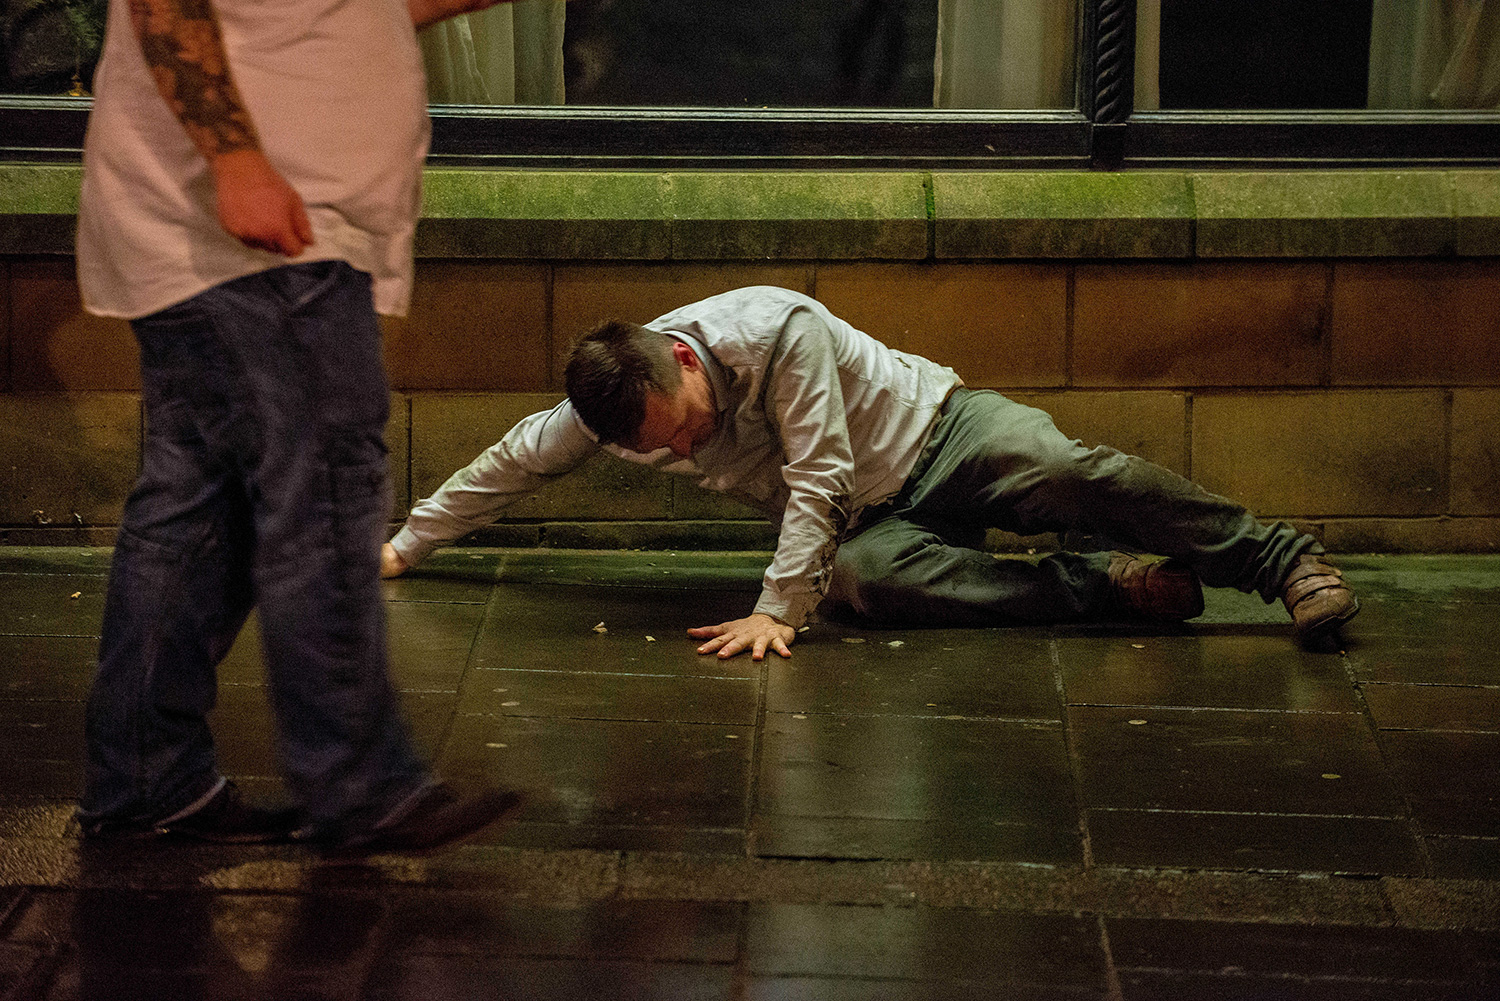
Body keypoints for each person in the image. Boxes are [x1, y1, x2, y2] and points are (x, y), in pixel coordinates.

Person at [73, 0, 525, 851]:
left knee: (202, 509)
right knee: (321, 488)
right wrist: (237, 157)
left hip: (245, 229)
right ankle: (360, 783)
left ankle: (143, 776)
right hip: (260, 233)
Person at [382, 286, 1360, 660]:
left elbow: (821, 474)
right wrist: (405, 542)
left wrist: (776, 607)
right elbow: (512, 459)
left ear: (684, 359)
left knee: (1065, 465)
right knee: (864, 577)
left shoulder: (775, 329)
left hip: (943, 433)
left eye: (676, 431)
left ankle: (1284, 564)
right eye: (657, 449)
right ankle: (1098, 581)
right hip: (868, 518)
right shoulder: (616, 400)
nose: (677, 454)